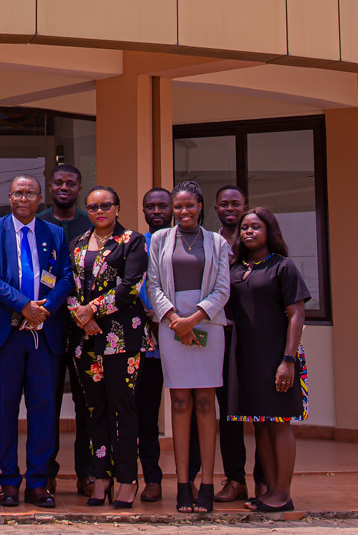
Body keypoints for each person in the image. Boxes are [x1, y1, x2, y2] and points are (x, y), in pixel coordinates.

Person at [0, 174, 73, 509]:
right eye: (18, 193)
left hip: (44, 335)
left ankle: (39, 482)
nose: (24, 198)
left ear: (40, 197)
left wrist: (44, 310)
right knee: (5, 410)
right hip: (7, 333)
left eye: (30, 193)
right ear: (9, 196)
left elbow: (67, 276)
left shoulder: (54, 233)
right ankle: (10, 482)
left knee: (43, 411)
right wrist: (23, 305)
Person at [144, 180, 231, 515]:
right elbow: (152, 284)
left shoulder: (218, 242)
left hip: (207, 324)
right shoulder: (161, 240)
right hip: (170, 325)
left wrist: (193, 320)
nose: (182, 212)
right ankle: (182, 486)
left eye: (188, 206)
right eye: (177, 207)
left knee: (206, 402)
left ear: (200, 206)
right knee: (179, 401)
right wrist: (173, 319)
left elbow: (223, 289)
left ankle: (206, 484)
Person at [68, 186, 149, 509]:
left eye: (105, 205)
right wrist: (80, 315)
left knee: (123, 410)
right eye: (92, 206)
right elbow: (69, 285)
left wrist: (93, 309)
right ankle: (100, 477)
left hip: (121, 338)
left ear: (117, 207)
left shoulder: (133, 241)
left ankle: (127, 480)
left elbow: (130, 287)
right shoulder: (77, 243)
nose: (99, 211)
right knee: (94, 409)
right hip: (85, 339)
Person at [226, 207, 308, 514]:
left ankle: (283, 493)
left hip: (277, 356)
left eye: (255, 227)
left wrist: (287, 359)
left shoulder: (283, 267)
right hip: (247, 357)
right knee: (261, 424)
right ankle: (270, 490)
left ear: (269, 231)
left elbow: (297, 313)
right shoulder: (237, 268)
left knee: (279, 422)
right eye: (244, 228)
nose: (248, 232)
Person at [203, 184, 264, 503]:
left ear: (244, 207)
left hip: (254, 338)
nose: (229, 208)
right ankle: (236, 478)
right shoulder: (210, 243)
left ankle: (265, 480)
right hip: (220, 335)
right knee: (228, 411)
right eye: (223, 204)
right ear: (215, 209)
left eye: (235, 204)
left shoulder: (256, 243)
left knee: (260, 410)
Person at [37, 163, 92, 496]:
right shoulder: (39, 221)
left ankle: (87, 471)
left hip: (89, 325)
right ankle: (47, 470)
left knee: (88, 402)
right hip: (49, 322)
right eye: (58, 182)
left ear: (79, 187)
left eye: (71, 183)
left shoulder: (93, 222)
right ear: (50, 186)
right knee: (48, 402)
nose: (64, 187)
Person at [135, 187, 175, 503]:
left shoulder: (189, 244)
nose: (157, 210)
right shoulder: (136, 245)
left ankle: (193, 479)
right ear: (144, 210)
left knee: (189, 408)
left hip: (184, 338)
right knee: (145, 416)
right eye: (151, 206)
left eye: (163, 205)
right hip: (147, 346)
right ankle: (152, 479)